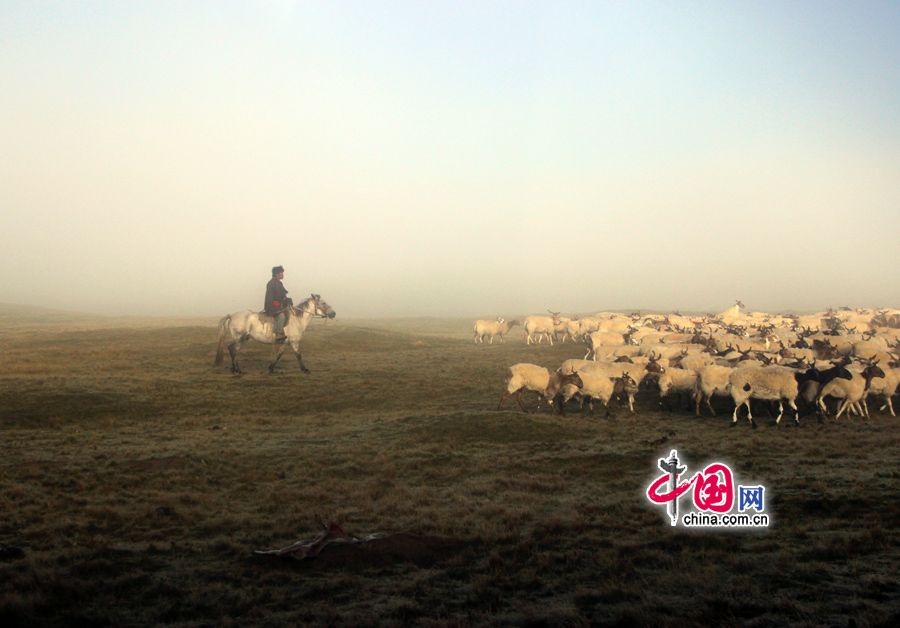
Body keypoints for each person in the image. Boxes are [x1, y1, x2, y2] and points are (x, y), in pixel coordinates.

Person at [264, 265, 292, 341]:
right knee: (281, 316)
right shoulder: (271, 283)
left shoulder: (279, 283)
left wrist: (287, 300)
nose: (283, 274)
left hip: (279, 306)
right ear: (277, 274)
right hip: (272, 307)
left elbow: (282, 296)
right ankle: (278, 334)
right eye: (281, 273)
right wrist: (277, 307)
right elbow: (270, 298)